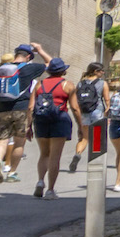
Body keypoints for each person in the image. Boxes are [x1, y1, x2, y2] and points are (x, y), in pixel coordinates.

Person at [0, 43, 50, 183]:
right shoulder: (30, 68)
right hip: (21, 108)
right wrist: (40, 49)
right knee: (19, 143)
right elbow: (52, 64)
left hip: (2, 109)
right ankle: (12, 172)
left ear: (16, 54)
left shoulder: (1, 69)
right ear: (28, 56)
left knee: (2, 139)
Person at [28, 58, 81, 200]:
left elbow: (30, 107)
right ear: (63, 71)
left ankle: (40, 181)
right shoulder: (68, 85)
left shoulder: (39, 85)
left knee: (44, 153)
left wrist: (28, 126)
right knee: (55, 156)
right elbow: (75, 108)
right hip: (59, 119)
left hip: (41, 120)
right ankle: (50, 190)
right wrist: (80, 126)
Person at [69, 62, 107, 173]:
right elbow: (107, 99)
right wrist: (107, 112)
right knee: (96, 138)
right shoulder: (102, 83)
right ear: (95, 71)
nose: (103, 72)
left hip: (84, 112)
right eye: (101, 71)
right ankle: (95, 163)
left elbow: (76, 99)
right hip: (97, 112)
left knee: (84, 138)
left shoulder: (80, 84)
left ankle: (78, 154)